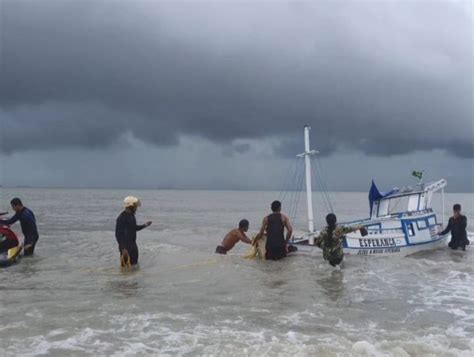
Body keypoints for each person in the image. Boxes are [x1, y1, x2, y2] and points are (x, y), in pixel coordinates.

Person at [115, 196, 152, 267]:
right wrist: (123, 248)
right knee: (125, 268)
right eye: (135, 206)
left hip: (133, 246)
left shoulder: (132, 216)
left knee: (135, 266)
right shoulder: (121, 218)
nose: (136, 208)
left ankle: (134, 278)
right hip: (125, 248)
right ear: (131, 206)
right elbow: (118, 234)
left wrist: (145, 225)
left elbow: (134, 228)